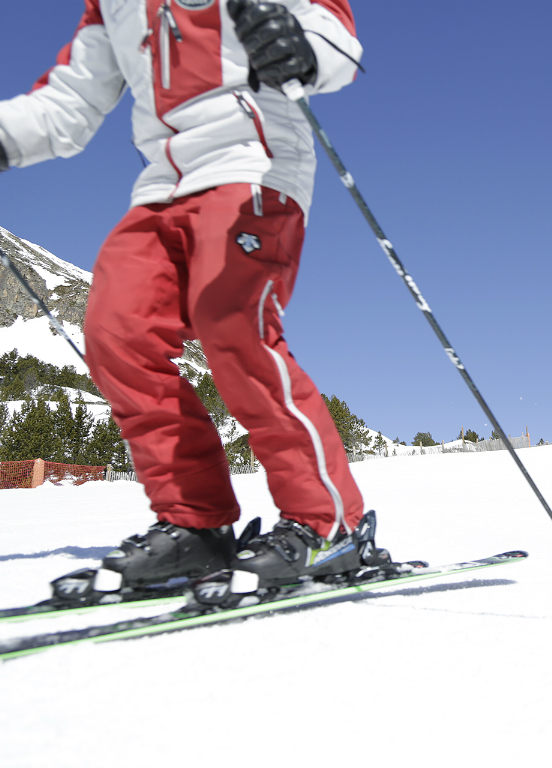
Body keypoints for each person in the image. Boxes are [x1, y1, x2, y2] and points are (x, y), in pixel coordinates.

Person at [0, 0, 388, 593]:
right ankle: (195, 523)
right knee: (115, 331)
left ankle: (327, 521)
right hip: (162, 185)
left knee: (232, 323)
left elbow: (330, 29)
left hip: (255, 163)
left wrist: (303, 46)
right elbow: (67, 106)